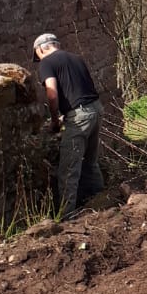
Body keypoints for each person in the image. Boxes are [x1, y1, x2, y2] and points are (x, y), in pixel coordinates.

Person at [32, 32, 105, 217]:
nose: (39, 60)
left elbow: (52, 93)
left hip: (80, 117)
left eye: (38, 55)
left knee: (68, 169)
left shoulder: (46, 62)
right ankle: (103, 203)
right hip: (96, 109)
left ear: (41, 49)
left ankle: (66, 216)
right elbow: (79, 89)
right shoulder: (76, 58)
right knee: (90, 163)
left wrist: (55, 120)